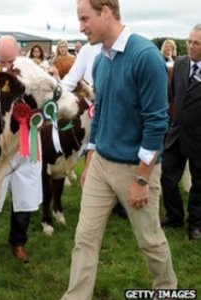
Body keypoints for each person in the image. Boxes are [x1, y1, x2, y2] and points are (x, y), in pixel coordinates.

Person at [61, 1, 177, 299]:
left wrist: (141, 180)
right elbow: (100, 116)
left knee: (150, 241)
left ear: (107, 12)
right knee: (84, 239)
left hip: (134, 170)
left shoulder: (145, 57)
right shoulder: (100, 60)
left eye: (85, 18)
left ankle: (167, 291)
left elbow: (156, 124)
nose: (81, 26)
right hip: (101, 165)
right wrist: (89, 163)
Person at [0, 35, 42, 263]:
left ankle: (18, 242)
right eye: (3, 60)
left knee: (25, 195)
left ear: (18, 54)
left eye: (10, 60)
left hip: (26, 144)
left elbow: (47, 100)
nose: (7, 65)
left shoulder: (32, 73)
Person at [160, 24, 201, 240]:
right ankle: (174, 216)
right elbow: (171, 93)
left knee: (199, 184)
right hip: (176, 133)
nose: (191, 46)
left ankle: (196, 225)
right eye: (189, 41)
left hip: (199, 138)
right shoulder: (181, 63)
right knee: (167, 176)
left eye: (196, 43)